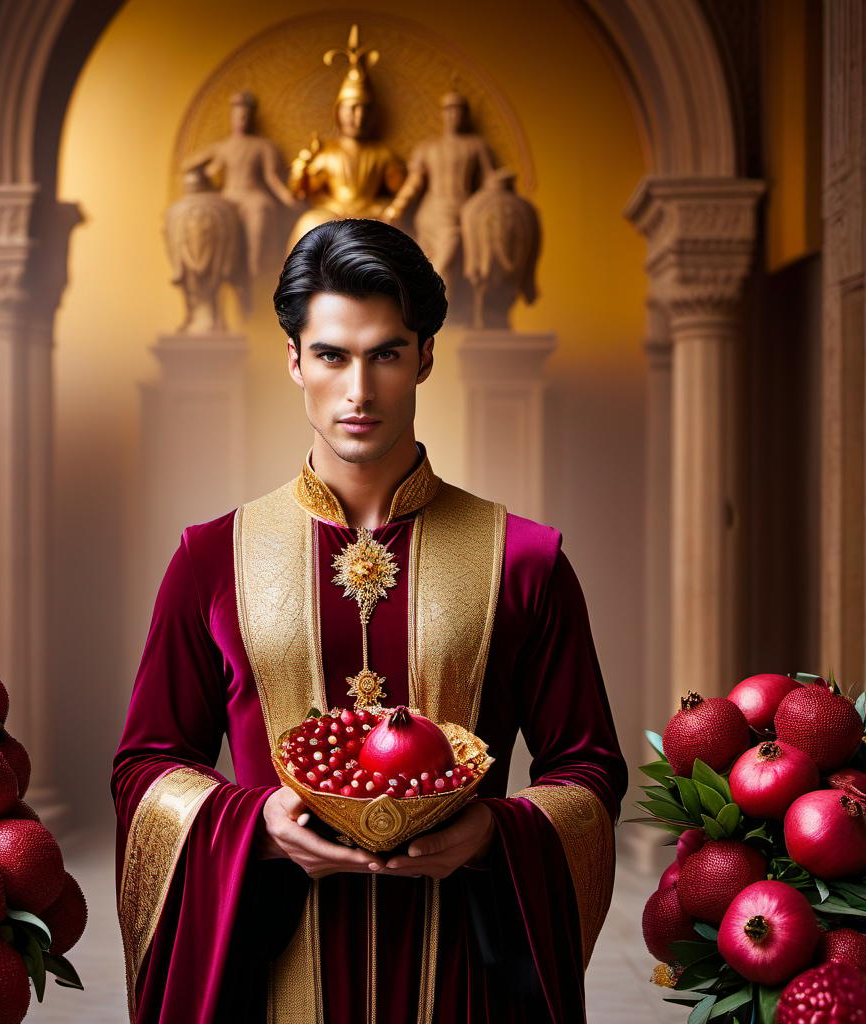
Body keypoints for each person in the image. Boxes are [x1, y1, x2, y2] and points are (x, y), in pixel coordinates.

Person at [112, 218, 628, 1023]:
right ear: (293, 359)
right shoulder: (211, 558)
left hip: (465, 978)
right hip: (270, 973)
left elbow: (590, 773)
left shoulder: (524, 560)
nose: (360, 390)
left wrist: (495, 832)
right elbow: (146, 764)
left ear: (424, 356)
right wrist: (256, 824)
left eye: (386, 354)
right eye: (331, 355)